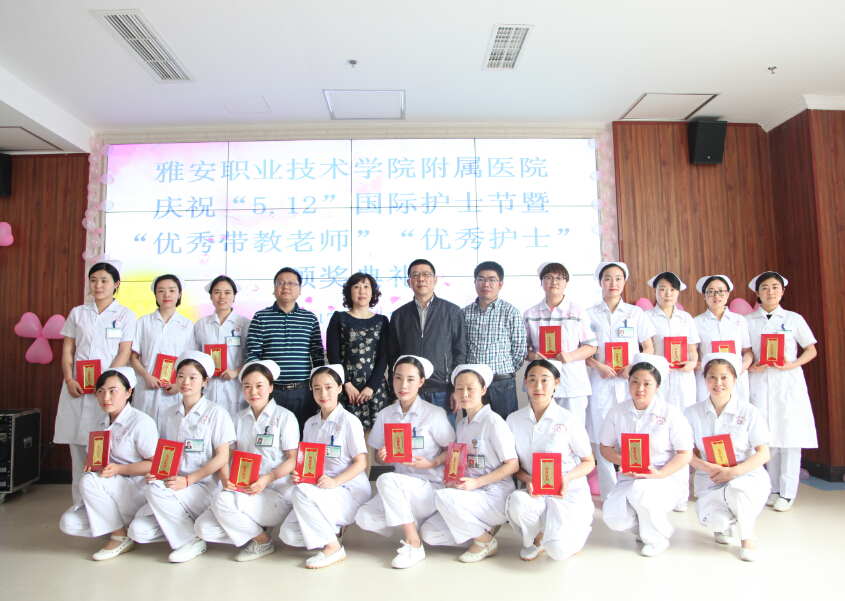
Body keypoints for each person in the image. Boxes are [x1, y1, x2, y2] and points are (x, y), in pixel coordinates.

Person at [128, 351, 236, 563]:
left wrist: (188, 480)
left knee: (154, 491)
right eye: (181, 376)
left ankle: (191, 540)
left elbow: (222, 457)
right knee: (138, 530)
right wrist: (158, 473)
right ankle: (188, 527)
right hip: (175, 484)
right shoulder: (170, 414)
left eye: (193, 377)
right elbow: (167, 452)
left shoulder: (217, 413)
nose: (186, 382)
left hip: (203, 486)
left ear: (205, 381)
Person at [354, 355, 455, 569]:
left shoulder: (434, 414)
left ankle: (413, 543)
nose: (403, 385)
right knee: (364, 517)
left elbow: (452, 451)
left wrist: (430, 463)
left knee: (386, 480)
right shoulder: (386, 415)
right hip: (400, 486)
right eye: (398, 378)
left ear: (421, 382)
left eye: (410, 379)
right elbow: (377, 456)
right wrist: (382, 456)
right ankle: (412, 519)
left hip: (429, 486)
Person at [195, 360, 299, 561]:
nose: (253, 392)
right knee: (203, 528)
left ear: (271, 387)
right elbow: (226, 456)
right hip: (244, 490)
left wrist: (267, 478)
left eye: (259, 386)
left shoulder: (285, 418)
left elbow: (292, 460)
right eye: (247, 386)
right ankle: (254, 526)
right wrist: (226, 482)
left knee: (222, 501)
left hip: (275, 493)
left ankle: (262, 541)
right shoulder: (237, 418)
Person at [55, 260, 137, 504]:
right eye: (93, 280)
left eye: (104, 281)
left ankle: (102, 507)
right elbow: (68, 350)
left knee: (103, 450)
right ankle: (79, 506)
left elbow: (124, 352)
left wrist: (106, 386)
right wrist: (69, 379)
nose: (98, 285)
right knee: (77, 454)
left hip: (107, 392)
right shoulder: (78, 312)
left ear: (116, 284)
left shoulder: (125, 315)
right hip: (77, 388)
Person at [420, 364, 519, 563]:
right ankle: (481, 531)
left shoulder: (494, 422)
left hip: (494, 494)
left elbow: (513, 465)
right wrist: (454, 479)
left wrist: (476, 483)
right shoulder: (462, 425)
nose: (464, 394)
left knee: (443, 498)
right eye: (459, 389)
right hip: (471, 493)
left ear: (483, 390)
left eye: (470, 388)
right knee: (429, 532)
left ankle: (485, 541)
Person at [600, 354, 694, 557]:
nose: (640, 388)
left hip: (666, 478)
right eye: (635, 381)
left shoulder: (670, 413)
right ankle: (646, 527)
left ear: (657, 387)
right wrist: (624, 462)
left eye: (647, 383)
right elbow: (605, 447)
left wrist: (659, 474)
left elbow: (685, 453)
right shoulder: (617, 412)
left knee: (642, 490)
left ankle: (658, 538)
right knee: (613, 518)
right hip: (630, 476)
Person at [59, 367, 157, 561]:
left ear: (128, 393)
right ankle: (119, 525)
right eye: (101, 391)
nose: (106, 397)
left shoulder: (141, 422)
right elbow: (92, 456)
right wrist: (90, 463)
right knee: (68, 523)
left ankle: (119, 535)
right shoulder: (98, 421)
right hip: (106, 489)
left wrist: (120, 469)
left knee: (88, 480)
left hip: (134, 490)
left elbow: (156, 464)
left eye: (113, 391)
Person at [279, 365, 370, 569]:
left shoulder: (349, 421)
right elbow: (307, 463)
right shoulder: (310, 424)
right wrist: (298, 475)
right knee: (288, 534)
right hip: (320, 488)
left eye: (329, 387)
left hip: (347, 489)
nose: (323, 394)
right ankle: (333, 529)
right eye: (317, 389)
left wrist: (335, 482)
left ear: (340, 388)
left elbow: (361, 462)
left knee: (300, 493)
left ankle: (332, 547)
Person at [505, 359, 596, 561]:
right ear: (525, 383)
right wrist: (528, 480)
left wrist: (567, 478)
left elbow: (588, 461)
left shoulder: (569, 420)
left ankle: (576, 531)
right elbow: (513, 465)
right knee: (517, 501)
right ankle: (536, 540)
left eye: (545, 380)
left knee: (558, 552)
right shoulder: (514, 420)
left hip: (567, 493)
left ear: (556, 383)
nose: (538, 387)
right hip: (535, 492)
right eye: (532, 380)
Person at [685, 353, 771, 562]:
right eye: (712, 377)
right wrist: (708, 468)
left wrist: (734, 472)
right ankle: (727, 523)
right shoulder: (692, 413)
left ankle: (748, 537)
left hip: (746, 475)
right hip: (710, 477)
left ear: (734, 380)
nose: (718, 383)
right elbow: (686, 453)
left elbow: (764, 453)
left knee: (738, 490)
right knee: (717, 522)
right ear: (704, 379)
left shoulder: (749, 412)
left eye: (724, 377)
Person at [745, 272, 817, 512]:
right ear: (757, 293)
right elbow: (746, 351)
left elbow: (811, 350)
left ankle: (787, 493)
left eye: (775, 287)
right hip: (759, 381)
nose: (770, 292)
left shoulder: (794, 319)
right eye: (765, 288)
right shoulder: (747, 320)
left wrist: (792, 364)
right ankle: (774, 489)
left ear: (782, 291)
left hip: (788, 383)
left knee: (790, 438)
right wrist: (751, 366)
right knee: (768, 439)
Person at [585, 262, 656, 501]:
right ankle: (609, 496)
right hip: (601, 382)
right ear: (600, 282)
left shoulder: (635, 313)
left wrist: (634, 367)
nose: (613, 283)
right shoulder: (589, 314)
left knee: (632, 434)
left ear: (624, 282)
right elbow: (584, 351)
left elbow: (648, 347)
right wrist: (598, 366)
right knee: (603, 439)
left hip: (630, 384)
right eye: (607, 278)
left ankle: (634, 491)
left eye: (618, 278)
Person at [388, 259, 467, 427]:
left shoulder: (452, 311)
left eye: (426, 274)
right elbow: (393, 357)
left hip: (443, 390)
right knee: (411, 438)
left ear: (435, 279)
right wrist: (394, 392)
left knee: (445, 438)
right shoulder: (399, 315)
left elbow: (460, 353)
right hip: (409, 390)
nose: (421, 279)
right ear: (409, 282)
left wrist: (457, 388)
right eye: (415, 275)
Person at [245, 267, 325, 432]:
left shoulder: (309, 318)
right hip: (272, 392)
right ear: (274, 289)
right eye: (280, 283)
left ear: (300, 290)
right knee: (269, 436)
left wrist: (318, 386)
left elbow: (317, 355)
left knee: (304, 436)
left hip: (303, 392)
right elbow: (253, 355)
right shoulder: (261, 317)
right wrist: (260, 387)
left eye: (291, 283)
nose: (286, 287)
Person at [645, 271, 699, 511]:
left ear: (678, 292)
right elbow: (646, 349)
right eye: (663, 289)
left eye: (672, 290)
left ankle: (680, 495)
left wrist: (692, 363)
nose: (668, 294)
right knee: (657, 435)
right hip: (659, 382)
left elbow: (693, 350)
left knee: (682, 438)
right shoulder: (647, 317)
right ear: (655, 291)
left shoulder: (686, 318)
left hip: (683, 380)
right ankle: (657, 490)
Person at [523, 262, 597, 426]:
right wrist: (533, 356)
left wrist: (570, 356)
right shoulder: (530, 314)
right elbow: (522, 350)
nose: (554, 282)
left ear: (566, 282)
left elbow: (591, 346)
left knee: (572, 429)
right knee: (540, 427)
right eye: (549, 277)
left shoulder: (578, 312)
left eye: (559, 278)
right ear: (541, 281)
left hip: (571, 383)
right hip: (539, 384)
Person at [462, 261, 527, 420]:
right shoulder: (464, 313)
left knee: (504, 427)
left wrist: (504, 372)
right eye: (481, 279)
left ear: (500, 284)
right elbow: (461, 348)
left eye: (492, 279)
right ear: (475, 282)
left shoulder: (511, 312)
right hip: (473, 383)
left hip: (502, 383)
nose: (486, 284)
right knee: (474, 427)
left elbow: (520, 350)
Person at [326, 272, 390, 430]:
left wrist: (371, 387)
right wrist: (346, 383)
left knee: (373, 434)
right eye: (356, 287)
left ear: (373, 292)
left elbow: (384, 356)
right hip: (345, 386)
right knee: (343, 432)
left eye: (366, 287)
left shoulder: (382, 321)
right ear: (349, 292)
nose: (362, 291)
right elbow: (333, 354)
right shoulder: (338, 318)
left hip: (374, 387)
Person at [130, 274, 195, 428]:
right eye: (161, 291)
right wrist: (147, 376)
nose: (166, 295)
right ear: (155, 294)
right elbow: (133, 357)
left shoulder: (188, 325)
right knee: (143, 431)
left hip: (174, 390)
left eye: (172, 290)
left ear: (179, 294)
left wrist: (178, 385)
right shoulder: (143, 322)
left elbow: (190, 361)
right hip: (146, 387)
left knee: (172, 432)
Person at [192, 275, 251, 421]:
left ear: (234, 296)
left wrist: (236, 371)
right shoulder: (201, 324)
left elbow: (252, 356)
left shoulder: (245, 323)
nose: (222, 297)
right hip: (209, 387)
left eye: (227, 292)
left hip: (235, 387)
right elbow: (195, 356)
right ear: (211, 296)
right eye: (217, 292)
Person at [692, 275, 753, 402]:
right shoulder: (696, 322)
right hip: (708, 378)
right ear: (704, 296)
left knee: (737, 410)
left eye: (721, 291)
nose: (716, 296)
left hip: (735, 377)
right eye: (711, 292)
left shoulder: (739, 320)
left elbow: (747, 351)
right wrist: (708, 370)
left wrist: (743, 366)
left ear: (728, 294)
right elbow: (692, 355)